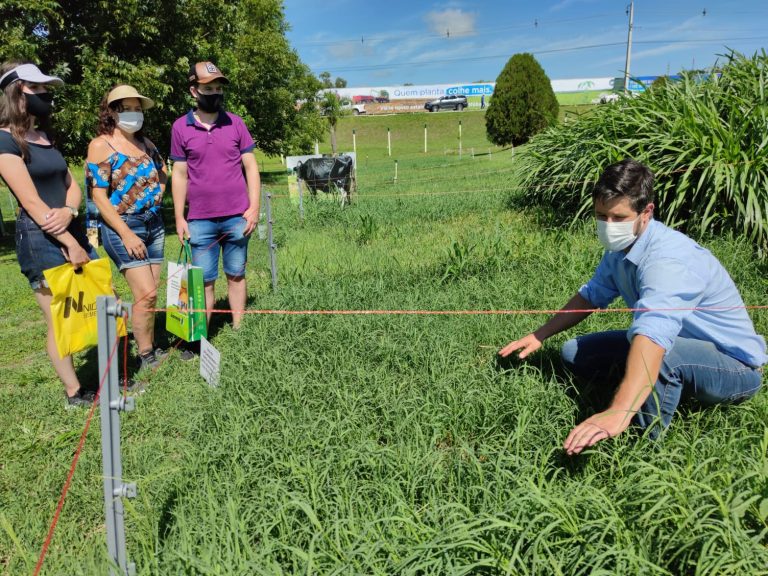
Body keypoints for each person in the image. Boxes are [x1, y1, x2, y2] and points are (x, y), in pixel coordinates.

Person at [499, 159, 766, 455]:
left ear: (646, 212)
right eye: (601, 216)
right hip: (680, 344)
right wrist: (540, 335)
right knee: (573, 353)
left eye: (619, 217)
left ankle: (643, 449)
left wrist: (619, 411)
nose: (609, 226)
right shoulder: (622, 247)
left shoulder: (668, 259)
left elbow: (654, 333)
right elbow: (593, 294)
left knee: (662, 357)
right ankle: (644, 386)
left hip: (734, 367)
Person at [0, 61, 98, 407]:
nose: (45, 95)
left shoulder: (45, 137)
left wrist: (70, 210)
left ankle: (111, 375)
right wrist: (69, 242)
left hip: (70, 227)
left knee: (101, 301)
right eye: (37, 88)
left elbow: (73, 185)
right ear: (17, 91)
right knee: (60, 316)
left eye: (46, 89)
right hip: (39, 238)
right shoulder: (4, 141)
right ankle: (75, 392)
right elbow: (29, 200)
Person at [170, 61, 260, 330]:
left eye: (218, 88)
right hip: (200, 220)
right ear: (194, 91)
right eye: (208, 88)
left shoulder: (236, 123)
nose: (215, 93)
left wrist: (254, 207)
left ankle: (239, 329)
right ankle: (200, 335)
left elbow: (251, 167)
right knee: (203, 281)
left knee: (236, 274)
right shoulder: (180, 127)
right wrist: (179, 217)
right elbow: (179, 174)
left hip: (237, 216)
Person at [86, 84, 170, 372]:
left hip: (154, 223)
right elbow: (98, 196)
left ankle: (150, 343)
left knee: (151, 293)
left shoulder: (147, 144)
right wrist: (126, 233)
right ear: (112, 112)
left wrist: (157, 195)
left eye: (137, 108)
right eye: (126, 109)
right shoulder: (101, 145)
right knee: (146, 293)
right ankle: (145, 354)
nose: (134, 114)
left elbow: (162, 172)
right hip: (124, 226)